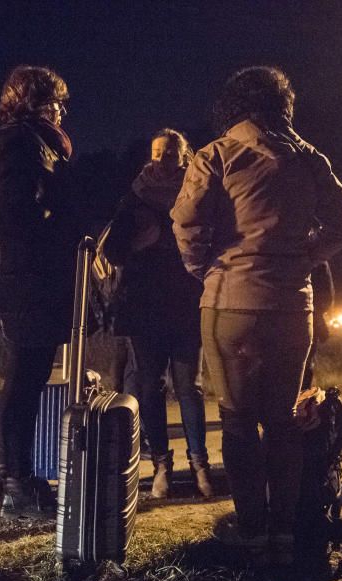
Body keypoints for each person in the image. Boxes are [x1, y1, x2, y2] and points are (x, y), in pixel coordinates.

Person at [171, 66, 342, 563]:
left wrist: (204, 267)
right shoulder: (310, 158)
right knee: (282, 422)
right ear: (282, 105)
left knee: (236, 422)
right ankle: (285, 532)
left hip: (229, 300)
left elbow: (186, 223)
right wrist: (304, 255)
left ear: (234, 105)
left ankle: (250, 528)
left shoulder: (216, 154)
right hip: (293, 304)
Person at [0, 65, 77, 519]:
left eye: (59, 101)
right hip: (28, 278)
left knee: (27, 379)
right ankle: (16, 485)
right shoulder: (20, 143)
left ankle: (10, 477)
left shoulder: (29, 142)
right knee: (24, 381)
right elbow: (17, 213)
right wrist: (60, 213)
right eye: (50, 100)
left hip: (30, 277)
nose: (59, 108)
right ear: (27, 101)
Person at [104, 129, 211, 500]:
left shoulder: (197, 192)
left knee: (189, 388)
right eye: (156, 152)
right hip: (144, 305)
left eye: (169, 153)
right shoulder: (134, 197)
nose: (161, 159)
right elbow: (112, 250)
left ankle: (200, 465)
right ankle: (161, 467)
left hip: (185, 302)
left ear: (184, 157)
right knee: (149, 387)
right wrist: (138, 243)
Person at [301, 262, 334, 389]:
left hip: (274, 316)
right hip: (308, 316)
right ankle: (301, 403)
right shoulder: (315, 255)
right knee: (305, 363)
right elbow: (326, 293)